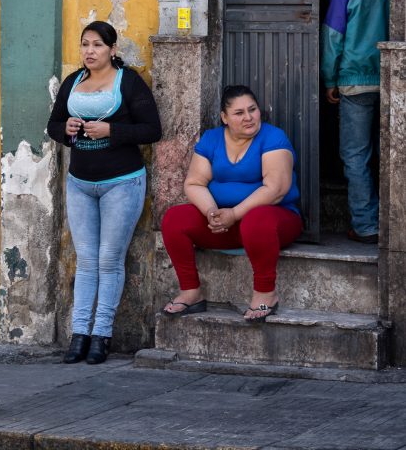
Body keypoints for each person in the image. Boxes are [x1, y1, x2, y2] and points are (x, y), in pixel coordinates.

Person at [47, 20, 161, 364]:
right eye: (84, 45)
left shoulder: (129, 83)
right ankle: (79, 334)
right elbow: (53, 125)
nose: (89, 51)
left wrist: (112, 130)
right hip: (80, 183)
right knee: (86, 261)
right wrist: (65, 129)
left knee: (109, 260)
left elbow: (152, 129)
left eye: (97, 45)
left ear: (113, 49)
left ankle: (102, 336)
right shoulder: (72, 83)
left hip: (122, 183)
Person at [161, 85, 302, 322]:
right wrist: (211, 212)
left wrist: (234, 213)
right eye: (239, 113)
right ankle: (191, 291)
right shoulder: (212, 139)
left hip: (273, 224)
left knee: (256, 220)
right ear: (224, 118)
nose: (248, 117)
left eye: (252, 110)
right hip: (226, 226)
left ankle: (266, 294)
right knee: (175, 219)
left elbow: (276, 189)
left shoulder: (273, 137)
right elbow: (194, 183)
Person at [321, 0, 389, 244]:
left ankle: (365, 224)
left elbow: (333, 38)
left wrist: (330, 79)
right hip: (391, 80)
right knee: (387, 154)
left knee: (355, 155)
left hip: (355, 83)